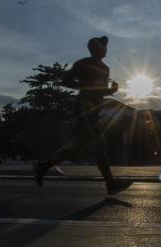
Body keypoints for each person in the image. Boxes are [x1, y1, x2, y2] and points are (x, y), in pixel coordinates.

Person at [34, 36, 132, 195]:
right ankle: (110, 183)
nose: (106, 50)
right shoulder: (83, 63)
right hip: (84, 108)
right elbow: (65, 81)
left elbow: (99, 90)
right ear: (97, 49)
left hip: (94, 108)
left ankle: (44, 165)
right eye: (103, 47)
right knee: (97, 144)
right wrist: (85, 86)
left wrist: (110, 90)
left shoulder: (105, 68)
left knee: (82, 145)